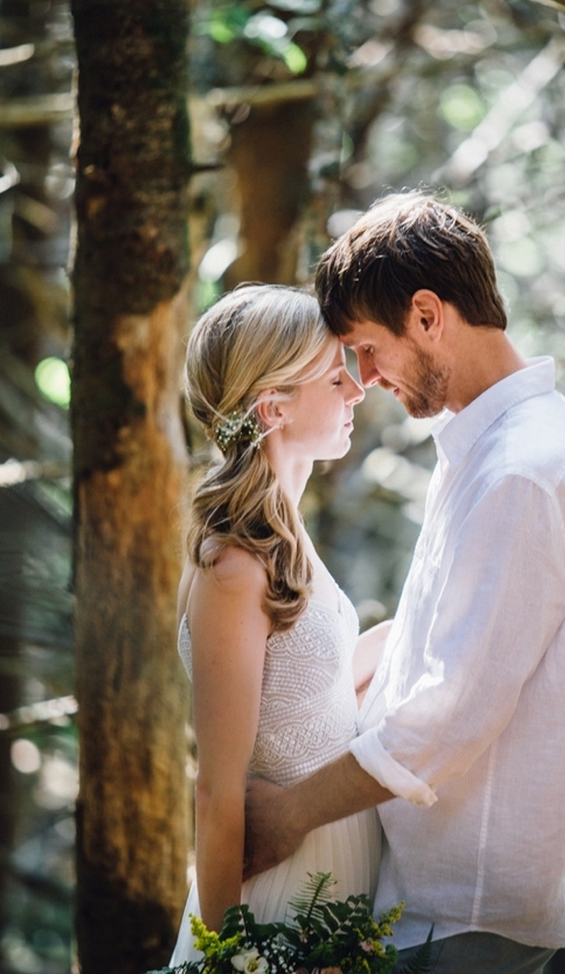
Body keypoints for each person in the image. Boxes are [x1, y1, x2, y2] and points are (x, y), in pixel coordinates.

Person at [243, 192, 565, 974]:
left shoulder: (522, 471)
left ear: (425, 314)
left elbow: (450, 712)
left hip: (471, 905)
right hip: (448, 893)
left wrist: (287, 815)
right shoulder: (492, 444)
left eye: (368, 349)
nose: (365, 378)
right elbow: (437, 642)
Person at [169, 283, 388, 965]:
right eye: (334, 376)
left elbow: (297, 698)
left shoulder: (284, 532)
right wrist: (231, 954)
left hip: (337, 867)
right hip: (281, 898)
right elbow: (217, 790)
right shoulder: (234, 568)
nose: (357, 391)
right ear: (273, 406)